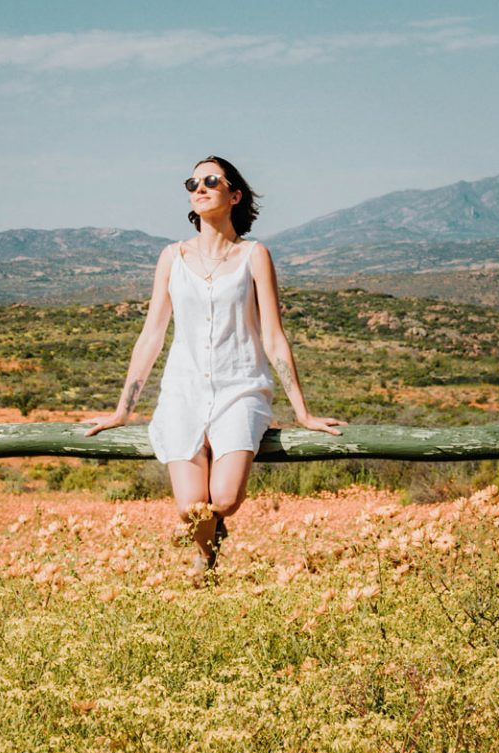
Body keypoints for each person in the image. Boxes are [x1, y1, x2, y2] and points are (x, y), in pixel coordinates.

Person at [85, 157, 342, 571]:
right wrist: (123, 410)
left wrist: (303, 413)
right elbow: (151, 336)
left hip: (240, 389)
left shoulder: (255, 256)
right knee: (191, 507)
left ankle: (212, 538)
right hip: (183, 393)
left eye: (210, 181)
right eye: (192, 182)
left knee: (222, 500)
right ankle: (207, 562)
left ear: (234, 195)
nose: (199, 188)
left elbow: (274, 336)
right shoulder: (172, 257)